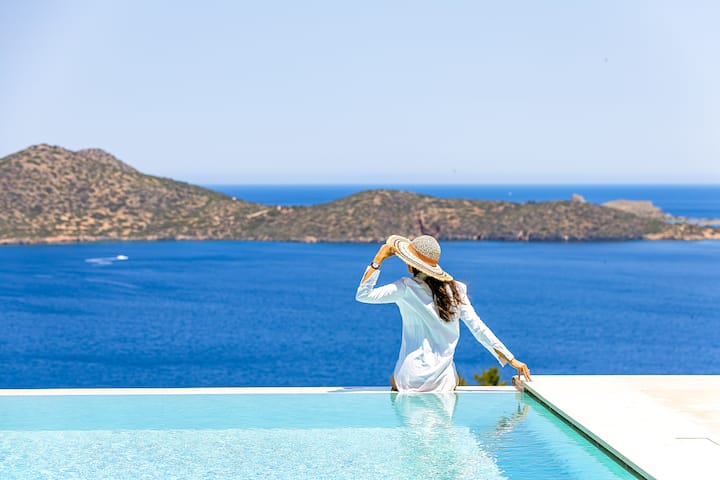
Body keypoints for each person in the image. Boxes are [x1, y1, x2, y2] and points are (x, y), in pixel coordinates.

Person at [356, 234, 531, 392]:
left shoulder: (404, 288)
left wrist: (378, 259)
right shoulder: (457, 290)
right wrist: (511, 359)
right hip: (443, 382)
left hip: (410, 379)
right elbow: (478, 328)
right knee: (453, 377)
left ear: (410, 264)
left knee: (395, 380)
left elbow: (363, 295)